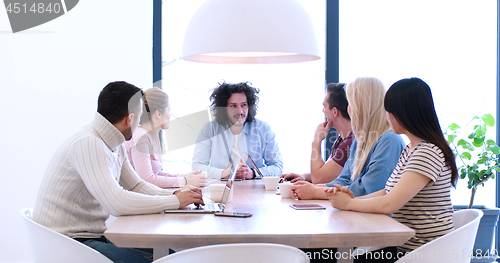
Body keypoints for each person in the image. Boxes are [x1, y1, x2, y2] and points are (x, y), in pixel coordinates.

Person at [33, 81, 204, 263]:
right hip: (66, 244)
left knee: (170, 255)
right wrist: (174, 201)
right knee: (160, 259)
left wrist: (176, 194)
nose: (140, 122)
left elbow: (136, 185)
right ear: (129, 119)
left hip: (88, 238)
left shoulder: (115, 143)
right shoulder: (88, 143)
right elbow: (117, 203)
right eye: (139, 116)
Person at [326, 77, 457, 262]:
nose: (387, 116)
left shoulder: (427, 152)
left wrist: (348, 204)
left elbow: (389, 204)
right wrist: (352, 198)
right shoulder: (411, 148)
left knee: (333, 256)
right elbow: (388, 191)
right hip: (406, 246)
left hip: (423, 252)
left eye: (389, 111)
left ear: (405, 112)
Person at [289, 77, 405, 200]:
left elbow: (368, 190)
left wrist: (315, 192)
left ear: (362, 107)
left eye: (350, 103)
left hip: (376, 218)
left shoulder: (389, 141)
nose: (348, 109)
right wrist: (311, 188)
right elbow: (344, 179)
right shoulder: (359, 140)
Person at [192, 81, 283, 179]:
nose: (240, 111)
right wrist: (224, 173)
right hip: (219, 190)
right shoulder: (209, 129)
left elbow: (277, 167)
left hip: (256, 191)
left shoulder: (263, 128)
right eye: (233, 106)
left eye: (244, 105)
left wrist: (253, 173)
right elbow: (197, 166)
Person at [125, 87, 207, 188]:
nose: (170, 115)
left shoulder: (152, 136)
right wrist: (184, 181)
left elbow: (157, 174)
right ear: (158, 113)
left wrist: (185, 177)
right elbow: (147, 180)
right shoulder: (141, 136)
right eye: (168, 110)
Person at [281, 83, 354, 184]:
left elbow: (319, 179)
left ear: (334, 111)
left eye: (324, 107)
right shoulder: (342, 139)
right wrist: (304, 176)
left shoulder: (350, 142)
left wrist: (316, 141)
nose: (323, 111)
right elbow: (328, 173)